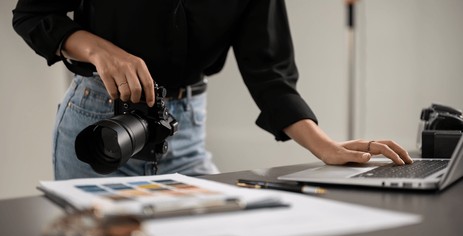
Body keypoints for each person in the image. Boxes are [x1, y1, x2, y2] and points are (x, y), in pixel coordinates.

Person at [12, 0, 412, 180]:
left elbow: (269, 73)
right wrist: (100, 50)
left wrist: (325, 146)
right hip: (99, 120)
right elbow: (33, 14)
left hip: (182, 128)